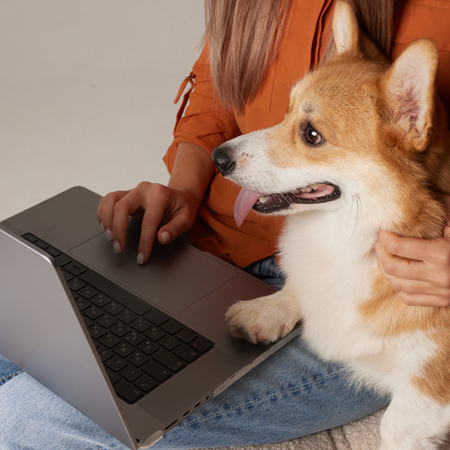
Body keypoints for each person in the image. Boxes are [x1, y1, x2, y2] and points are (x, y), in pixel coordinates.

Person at [1, 1, 450, 449]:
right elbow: (222, 81)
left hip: (393, 290)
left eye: (310, 135)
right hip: (225, 242)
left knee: (23, 420)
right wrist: (184, 190)